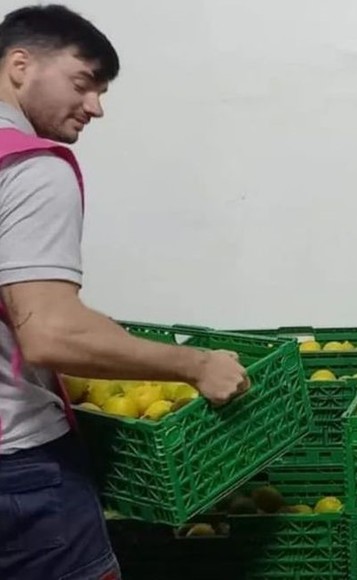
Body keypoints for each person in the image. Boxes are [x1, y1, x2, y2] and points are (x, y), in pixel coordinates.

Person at [0, 5, 249, 579]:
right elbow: (49, 333)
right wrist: (195, 364)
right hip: (21, 477)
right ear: (20, 65)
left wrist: (99, 330)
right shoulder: (33, 168)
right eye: (82, 83)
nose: (95, 107)